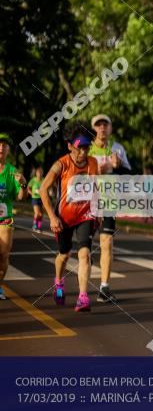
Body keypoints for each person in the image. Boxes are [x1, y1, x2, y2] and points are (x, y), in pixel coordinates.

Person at [40, 123, 99, 312]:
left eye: (87, 147)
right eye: (80, 146)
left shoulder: (93, 163)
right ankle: (58, 281)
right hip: (64, 218)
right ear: (70, 146)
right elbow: (43, 189)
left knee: (84, 253)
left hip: (85, 216)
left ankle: (83, 297)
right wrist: (52, 217)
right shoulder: (61, 164)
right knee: (64, 254)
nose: (83, 151)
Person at [89, 114, 130, 304]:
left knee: (106, 244)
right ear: (94, 129)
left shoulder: (118, 149)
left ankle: (104, 288)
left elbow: (129, 175)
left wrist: (116, 167)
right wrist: (98, 170)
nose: (102, 128)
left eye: (106, 124)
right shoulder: (86, 148)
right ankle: (81, 289)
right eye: (99, 125)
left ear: (111, 128)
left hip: (108, 203)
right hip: (87, 203)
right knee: (84, 248)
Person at [0, 133, 28, 301]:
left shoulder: (12, 172)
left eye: (5, 145)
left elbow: (20, 197)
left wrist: (24, 184)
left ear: (8, 150)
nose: (1, 147)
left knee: (3, 255)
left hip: (5, 218)